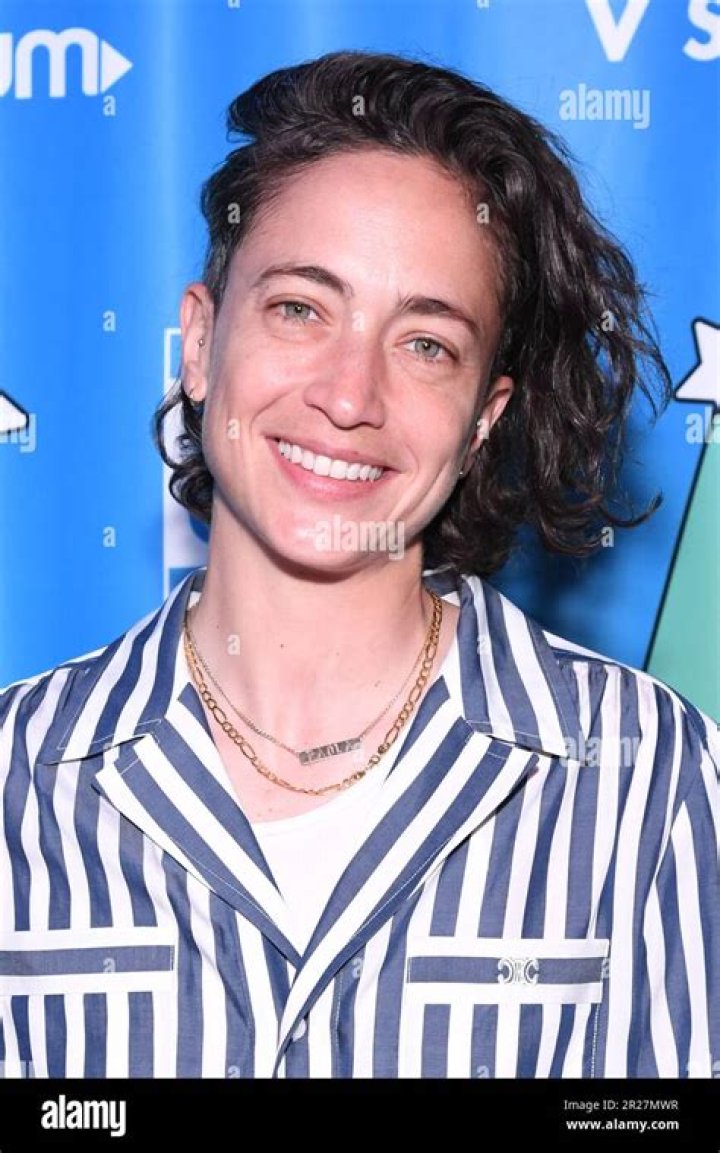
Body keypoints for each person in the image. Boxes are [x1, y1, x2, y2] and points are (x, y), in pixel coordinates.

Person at [0, 49, 717, 1081]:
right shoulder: (20, 776)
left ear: (484, 418)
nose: (348, 396)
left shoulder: (646, 774)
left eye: (426, 344)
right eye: (301, 308)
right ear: (198, 343)